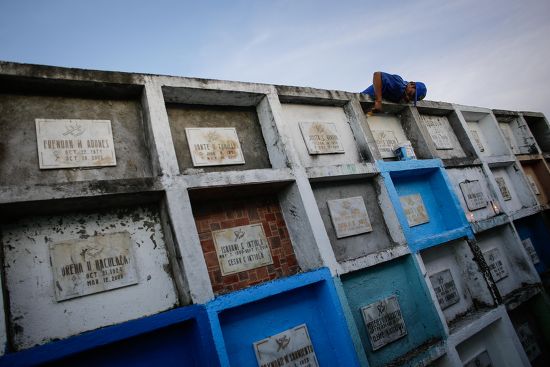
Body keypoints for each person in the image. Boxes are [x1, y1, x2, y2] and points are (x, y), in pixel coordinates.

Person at [362, 72, 427, 112]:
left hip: (368, 106)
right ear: (411, 84)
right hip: (363, 100)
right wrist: (378, 100)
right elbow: (377, 75)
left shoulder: (404, 93)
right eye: (410, 94)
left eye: (412, 99)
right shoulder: (398, 84)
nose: (408, 98)